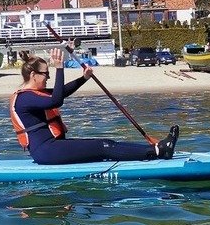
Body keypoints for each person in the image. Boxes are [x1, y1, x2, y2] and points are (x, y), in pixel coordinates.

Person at [9, 48, 178, 165]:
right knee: (103, 147)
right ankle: (158, 152)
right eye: (45, 74)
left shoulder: (33, 95)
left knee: (106, 143)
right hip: (46, 151)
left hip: (52, 148)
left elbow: (62, 92)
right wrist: (60, 68)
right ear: (33, 75)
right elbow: (56, 100)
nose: (47, 77)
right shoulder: (24, 99)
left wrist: (84, 78)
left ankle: (155, 148)